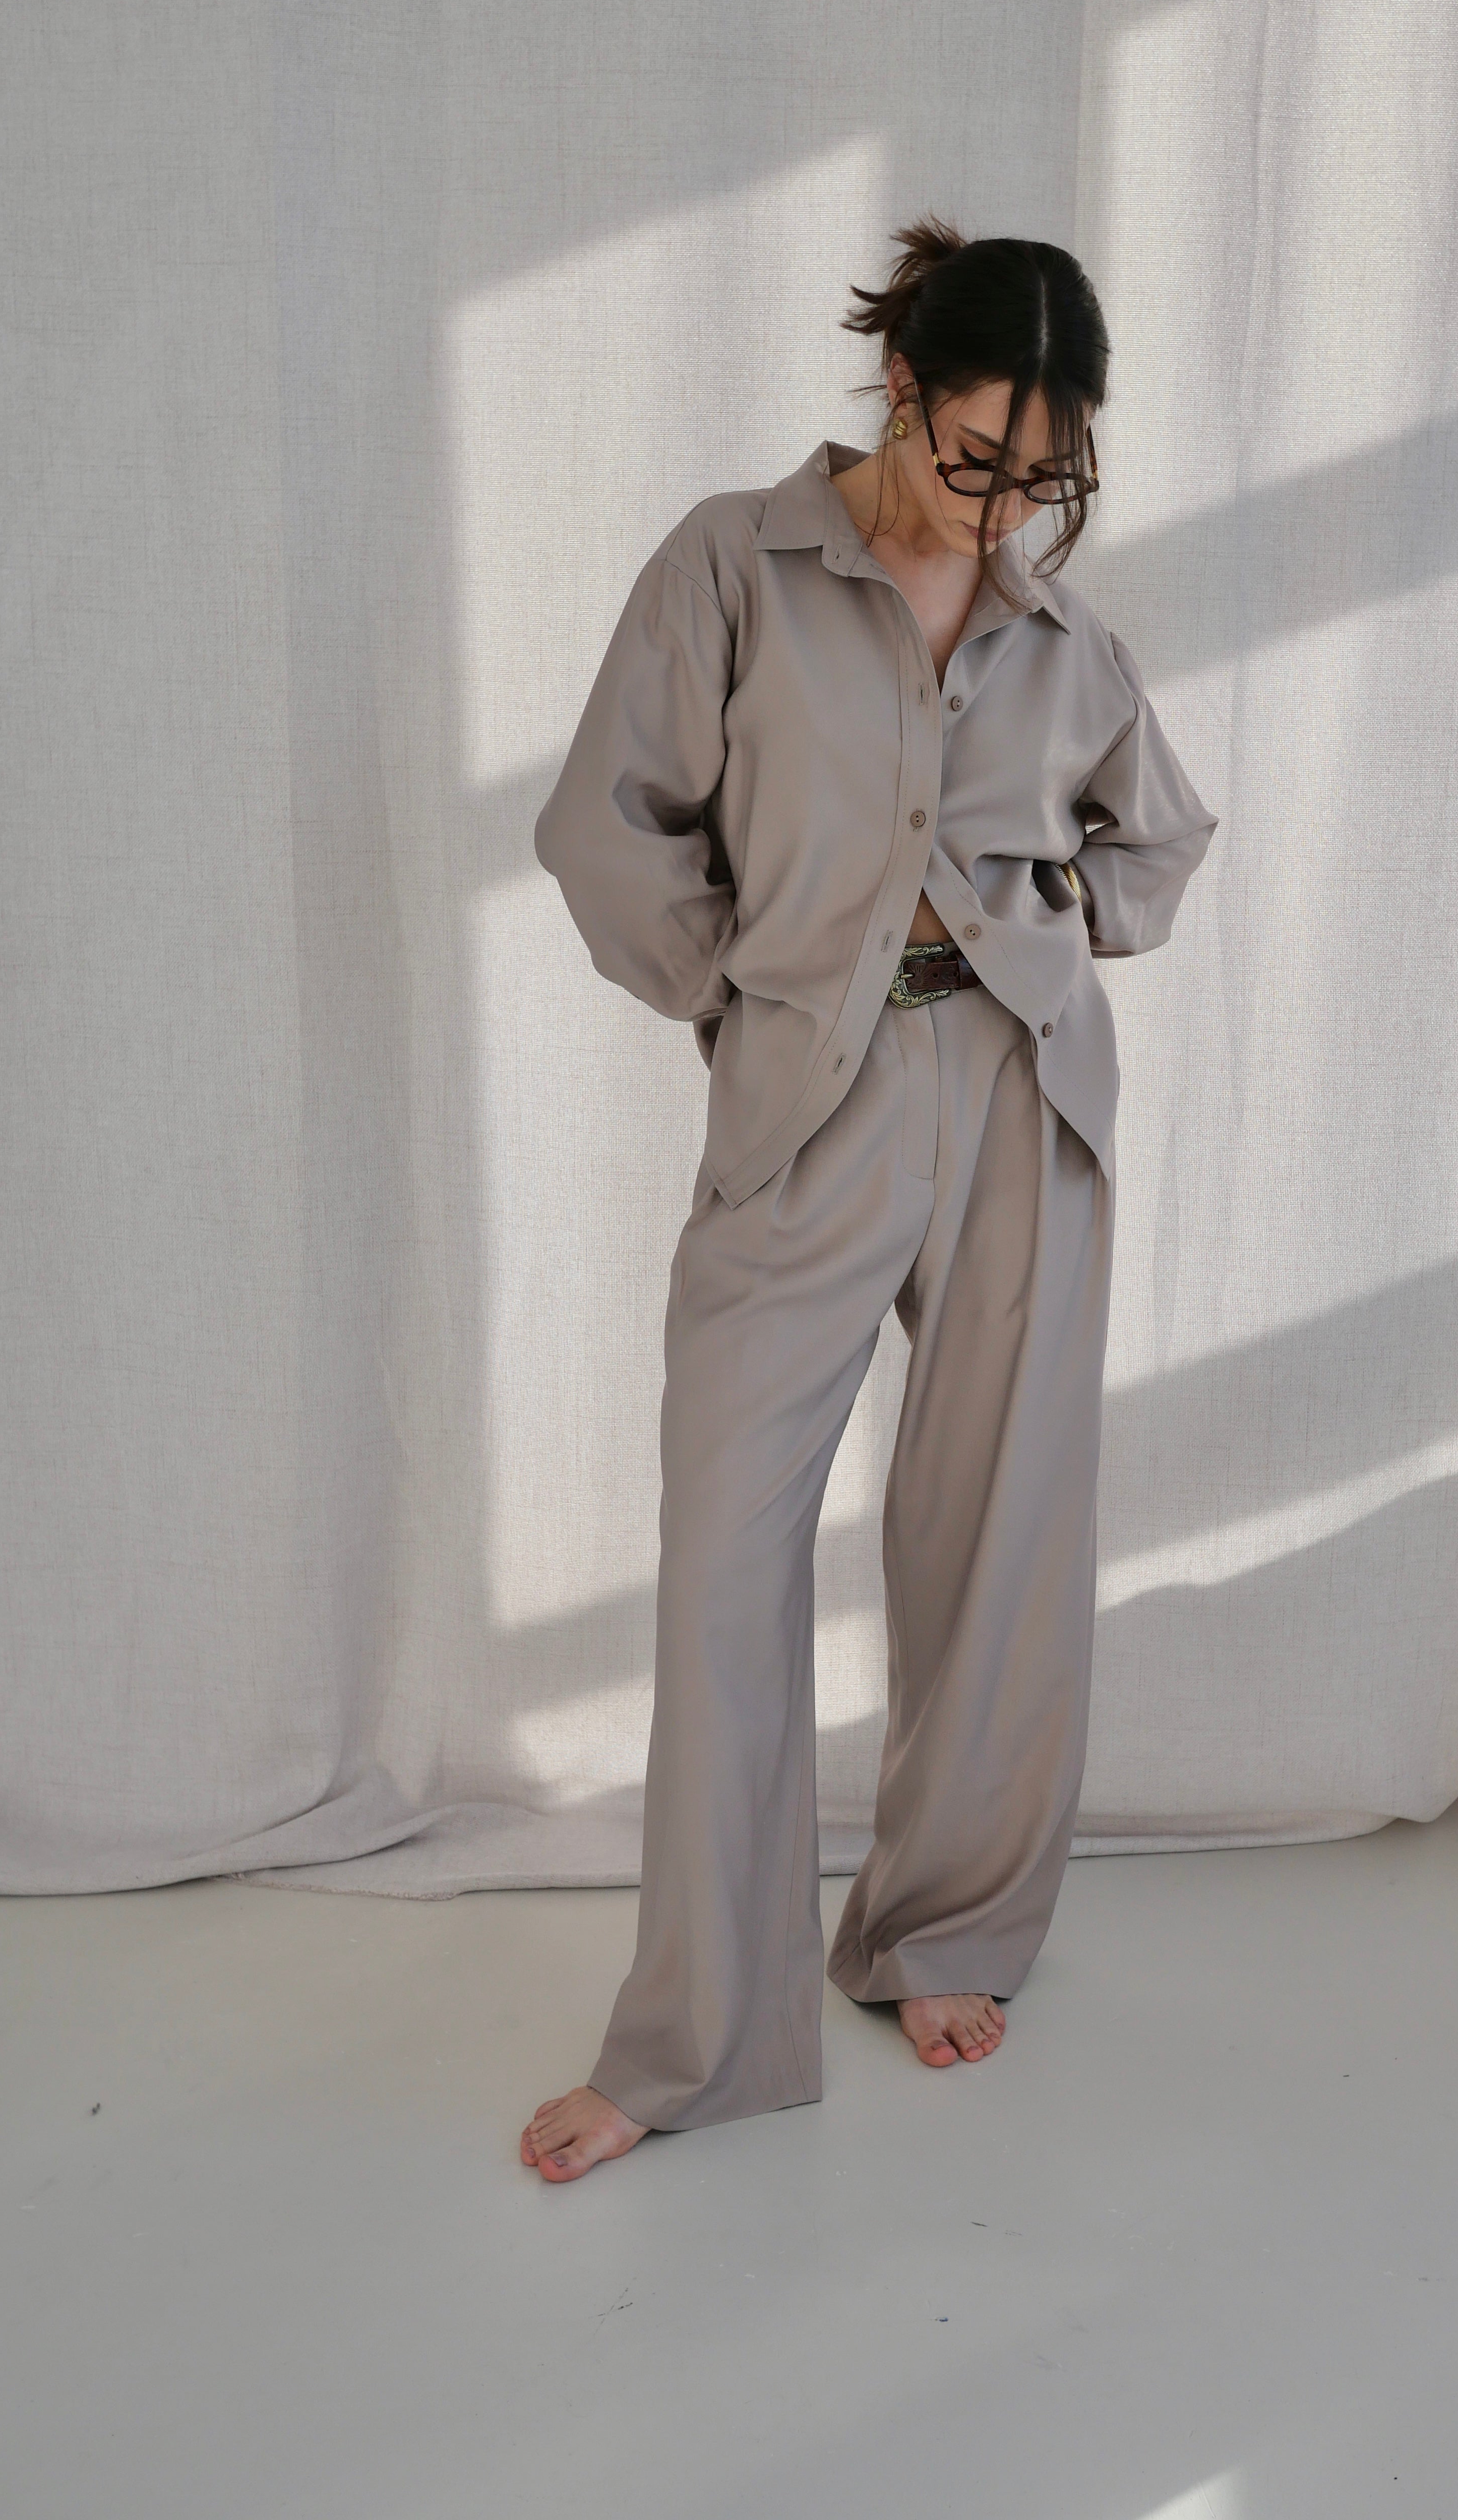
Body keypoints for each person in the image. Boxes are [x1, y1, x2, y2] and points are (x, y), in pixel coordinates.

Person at [522, 216, 1218, 2183]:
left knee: (998, 1531)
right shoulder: (734, 567)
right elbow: (604, 827)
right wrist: (744, 992)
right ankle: (699, 2037)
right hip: (809, 1108)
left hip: (1016, 1089)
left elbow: (1158, 846)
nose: (999, 509)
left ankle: (944, 1930)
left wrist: (1038, 915)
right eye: (975, 458)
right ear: (900, 389)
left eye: (1041, 480)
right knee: (725, 1552)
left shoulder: (1059, 640)